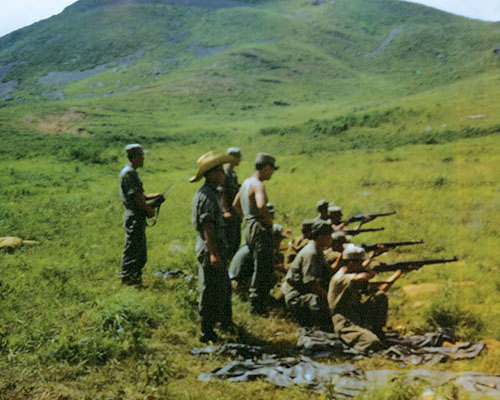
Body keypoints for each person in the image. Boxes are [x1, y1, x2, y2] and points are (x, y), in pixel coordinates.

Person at [191, 151, 238, 342]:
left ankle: (222, 322)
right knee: (210, 289)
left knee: (222, 287)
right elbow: (207, 226)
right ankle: (206, 331)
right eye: (219, 171)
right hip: (210, 248)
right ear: (210, 173)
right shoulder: (207, 196)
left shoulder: (212, 193)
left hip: (216, 247)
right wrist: (213, 253)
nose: (223, 175)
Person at [327, 244, 403, 352]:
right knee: (372, 342)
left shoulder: (353, 275)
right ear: (351, 263)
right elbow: (361, 277)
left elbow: (380, 289)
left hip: (357, 314)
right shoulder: (340, 277)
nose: (364, 265)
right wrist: (373, 272)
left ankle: (377, 330)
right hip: (344, 321)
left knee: (380, 296)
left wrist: (398, 272)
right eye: (360, 262)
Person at [233, 152, 278, 315]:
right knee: (263, 268)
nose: (272, 173)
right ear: (266, 168)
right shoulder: (258, 185)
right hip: (259, 228)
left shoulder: (245, 183)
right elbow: (260, 205)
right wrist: (268, 221)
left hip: (248, 227)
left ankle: (256, 300)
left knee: (257, 264)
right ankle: (257, 306)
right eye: (272, 170)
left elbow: (235, 204)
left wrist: (247, 218)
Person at [119, 144, 162, 286]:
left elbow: (139, 195)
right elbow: (136, 198)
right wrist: (149, 210)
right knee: (134, 249)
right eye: (142, 156)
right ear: (135, 158)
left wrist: (153, 196)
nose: (144, 159)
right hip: (134, 217)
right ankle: (128, 279)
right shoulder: (129, 173)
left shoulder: (131, 172)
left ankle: (134, 279)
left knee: (139, 250)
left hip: (136, 216)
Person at [281, 220, 333, 329]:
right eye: (329, 236)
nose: (331, 239)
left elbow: (326, 272)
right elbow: (311, 284)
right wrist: (330, 298)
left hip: (304, 289)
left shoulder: (318, 250)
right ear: (320, 237)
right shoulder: (311, 253)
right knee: (320, 305)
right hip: (296, 294)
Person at [220, 147, 243, 260]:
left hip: (235, 210)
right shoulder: (225, 172)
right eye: (238, 158)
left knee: (236, 238)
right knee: (230, 239)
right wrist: (225, 211)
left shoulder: (232, 173)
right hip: (229, 212)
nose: (240, 160)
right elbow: (222, 192)